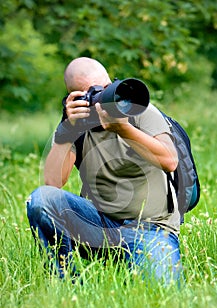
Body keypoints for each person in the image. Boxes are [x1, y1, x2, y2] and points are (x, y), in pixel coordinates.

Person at [26, 57, 182, 284]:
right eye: (96, 92)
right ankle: (67, 283)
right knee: (40, 199)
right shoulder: (77, 125)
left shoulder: (139, 109)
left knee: (164, 296)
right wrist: (67, 129)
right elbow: (52, 184)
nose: (107, 96)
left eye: (108, 86)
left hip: (152, 228)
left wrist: (124, 129)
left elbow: (169, 161)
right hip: (98, 225)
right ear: (79, 98)